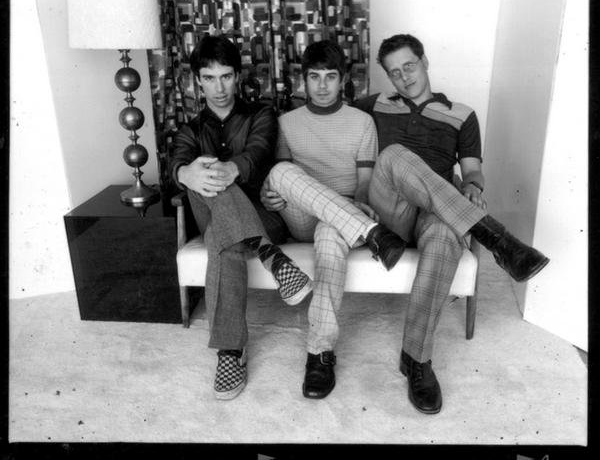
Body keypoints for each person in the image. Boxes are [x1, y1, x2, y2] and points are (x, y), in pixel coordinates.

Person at [354, 33, 549, 414]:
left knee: (445, 235)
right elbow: (329, 114)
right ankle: (496, 239)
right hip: (389, 210)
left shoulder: (462, 114)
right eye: (394, 73)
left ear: (425, 62)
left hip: (437, 211)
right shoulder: (373, 105)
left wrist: (473, 188)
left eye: (409, 66)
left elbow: (472, 171)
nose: (404, 77)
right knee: (394, 155)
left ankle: (416, 359)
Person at [169, 35, 313, 400]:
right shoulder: (189, 130)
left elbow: (258, 152)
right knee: (199, 173)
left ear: (237, 76)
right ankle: (275, 262)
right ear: (197, 81)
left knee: (223, 239)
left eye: (226, 77)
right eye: (209, 78)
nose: (219, 88)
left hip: (264, 217)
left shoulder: (261, 115)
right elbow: (178, 161)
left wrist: (228, 170)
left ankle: (230, 353)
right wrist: (185, 173)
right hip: (212, 212)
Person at [261, 40, 407, 399]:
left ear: (343, 80)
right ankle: (373, 233)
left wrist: (352, 208)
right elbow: (282, 181)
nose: (322, 85)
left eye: (330, 77)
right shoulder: (286, 123)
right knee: (279, 172)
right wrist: (268, 194)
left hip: (342, 217)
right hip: (301, 215)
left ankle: (319, 353)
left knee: (331, 231)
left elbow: (364, 186)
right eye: (314, 77)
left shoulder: (362, 122)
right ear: (304, 80)